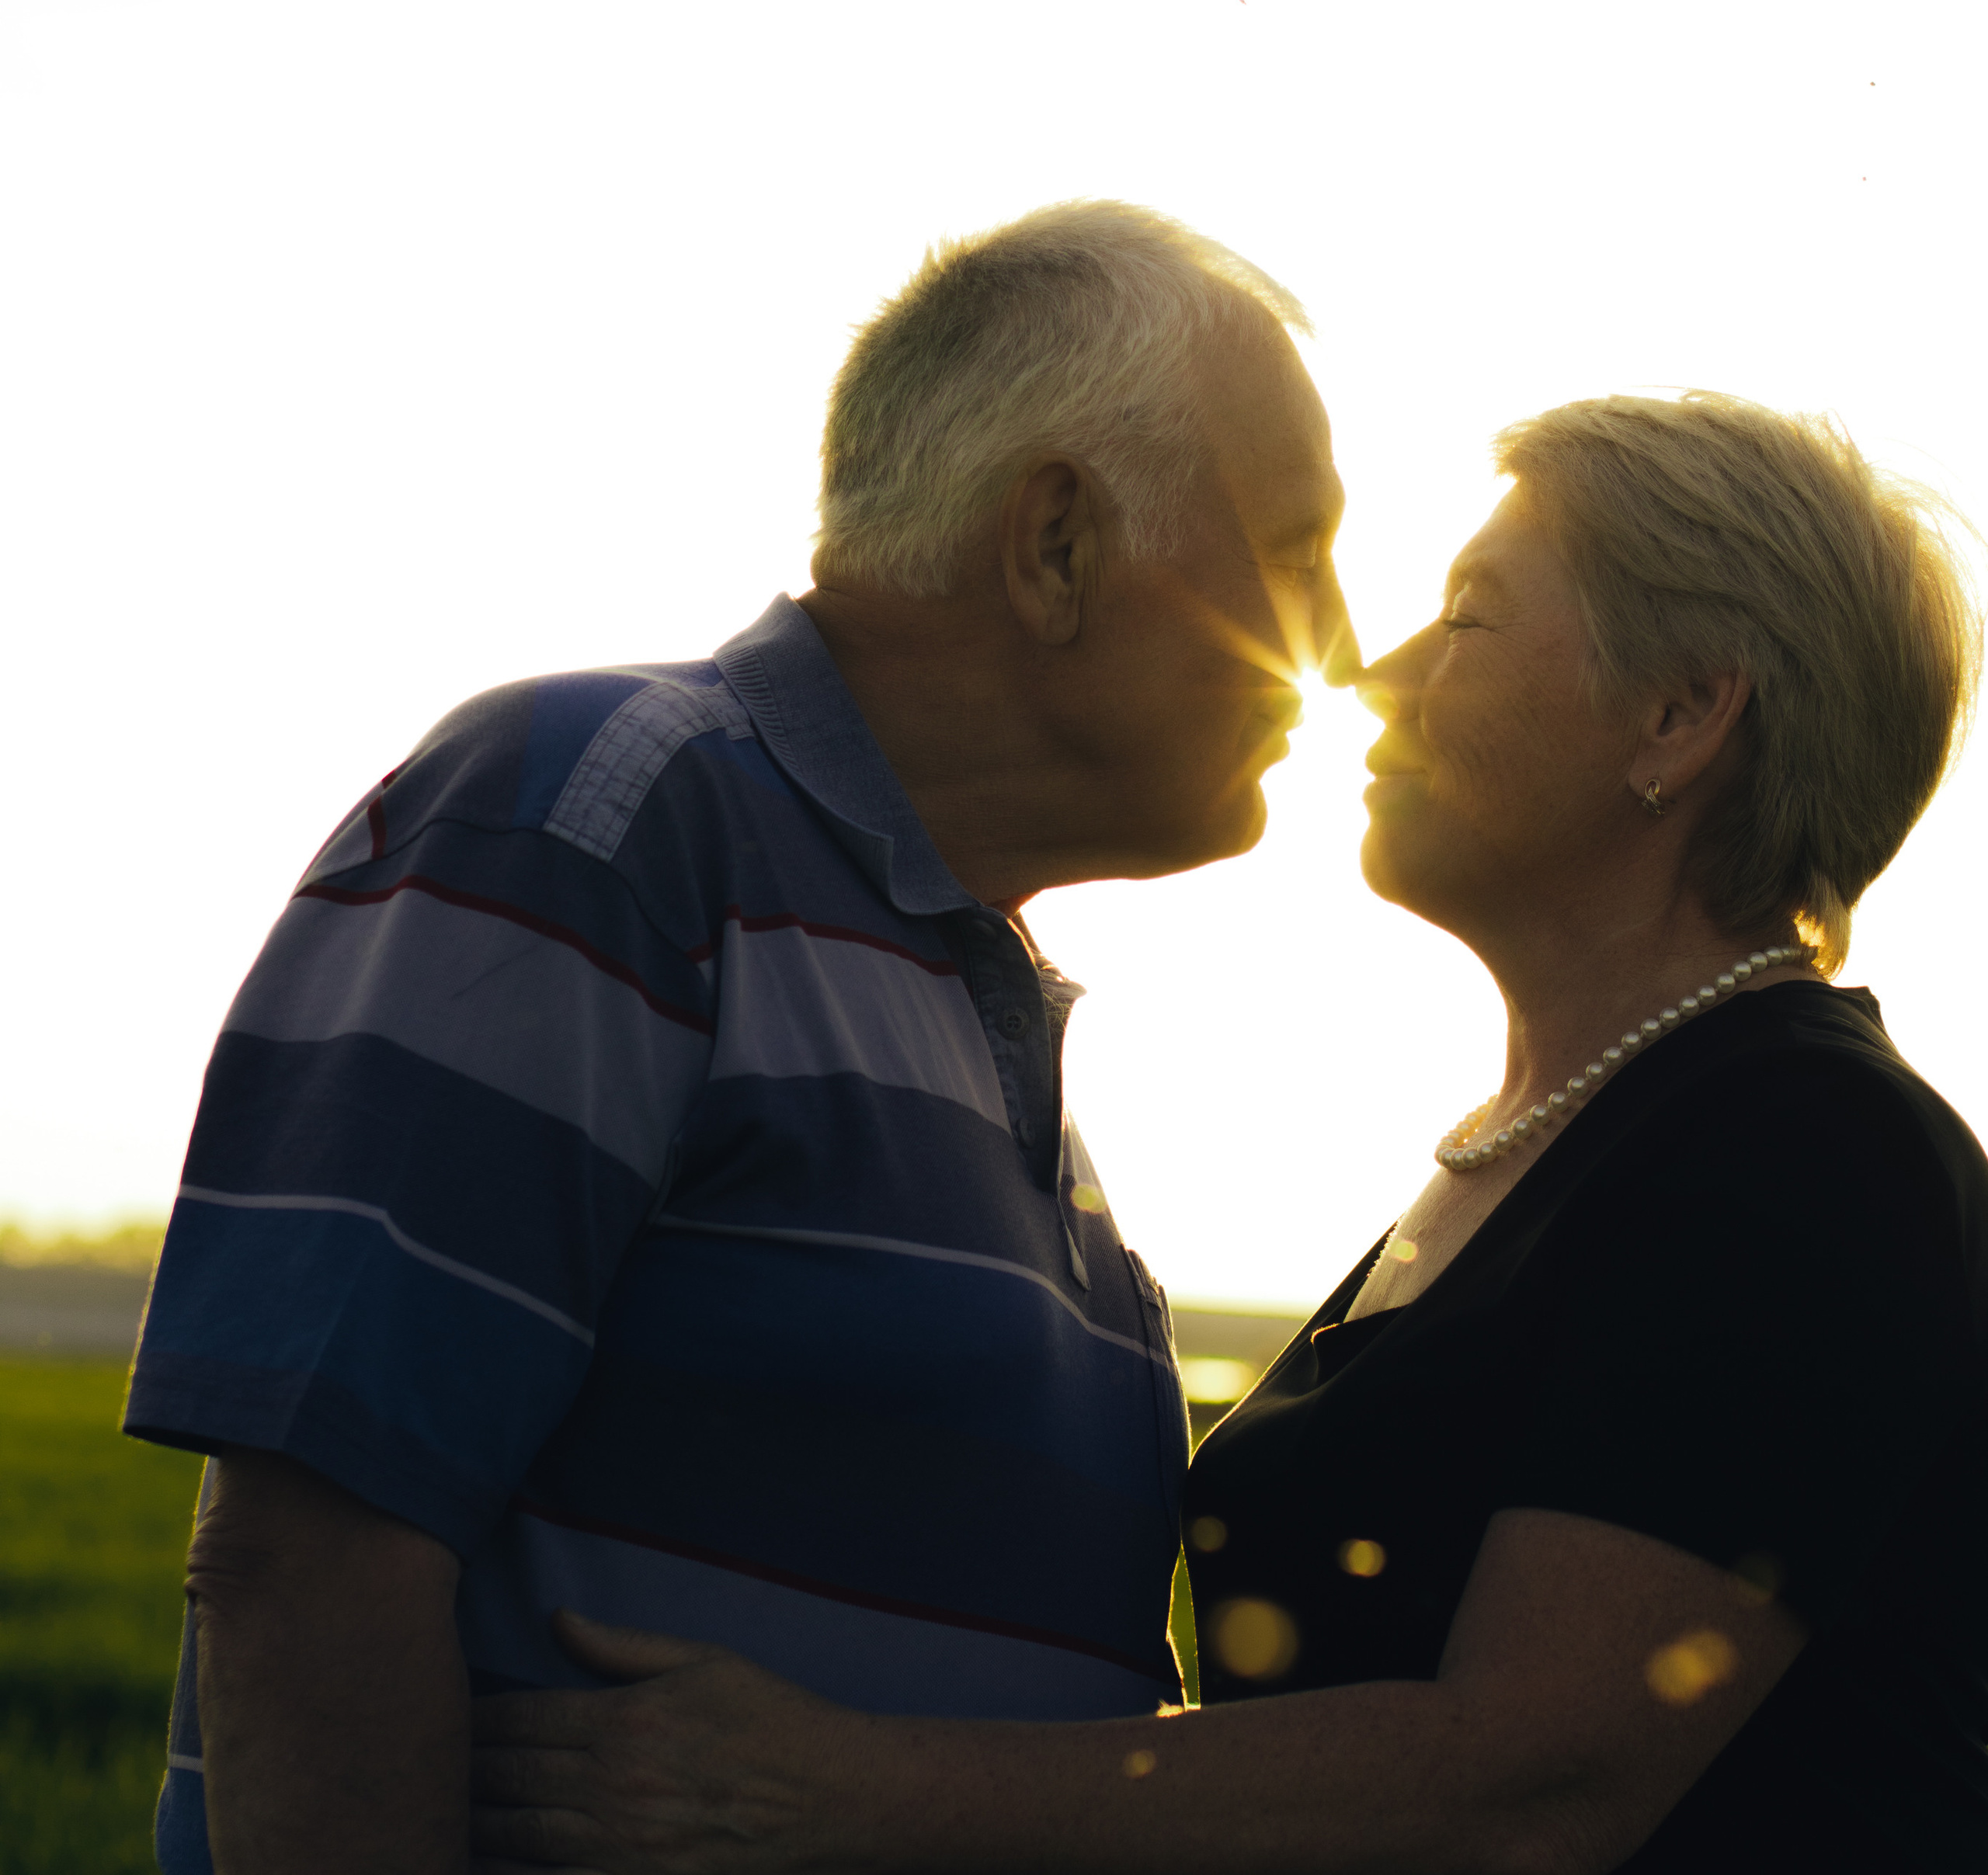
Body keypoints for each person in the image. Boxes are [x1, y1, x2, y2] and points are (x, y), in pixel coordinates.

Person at [467, 390, 1988, 1875]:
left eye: (1463, 615)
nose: (1374, 676)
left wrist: (846, 1791)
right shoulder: (1539, 1146)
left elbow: (1525, 1784)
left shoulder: (1803, 1153)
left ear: (1677, 715)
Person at [123, 200, 1359, 1875]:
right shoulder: (597, 819)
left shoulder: (951, 972)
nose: (1342, 648)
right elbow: (307, 1559)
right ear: (1053, 543)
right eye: (1294, 555)